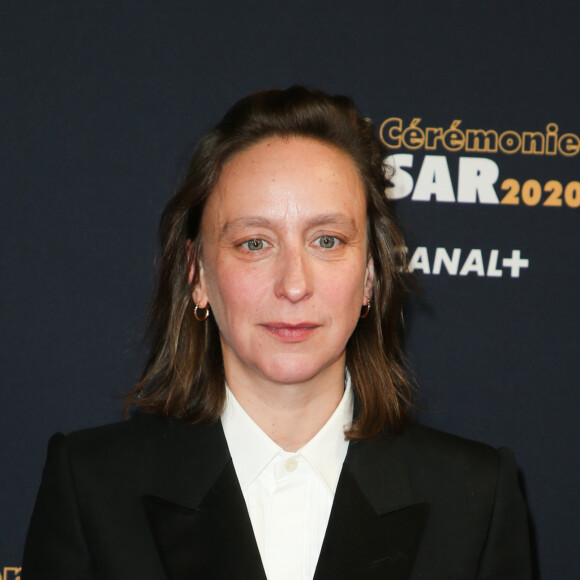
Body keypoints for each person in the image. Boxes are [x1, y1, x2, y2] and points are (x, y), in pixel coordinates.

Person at [22, 86, 532, 579]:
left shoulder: (475, 500)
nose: (294, 285)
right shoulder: (92, 489)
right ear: (197, 274)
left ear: (371, 276)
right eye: (254, 243)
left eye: (327, 240)